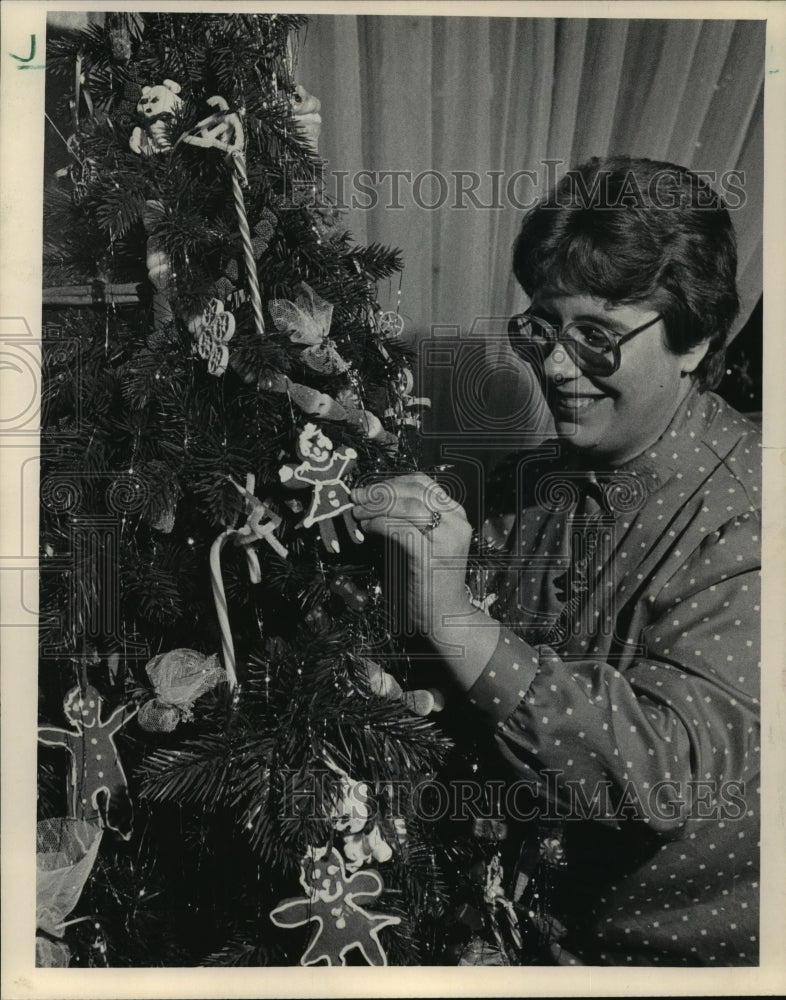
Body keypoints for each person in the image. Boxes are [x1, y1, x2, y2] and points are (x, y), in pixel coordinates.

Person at [351, 156, 761, 966]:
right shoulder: (534, 481)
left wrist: (453, 619)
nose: (557, 367)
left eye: (598, 337)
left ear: (697, 341)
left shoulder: (753, 511)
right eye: (542, 328)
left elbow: (667, 774)